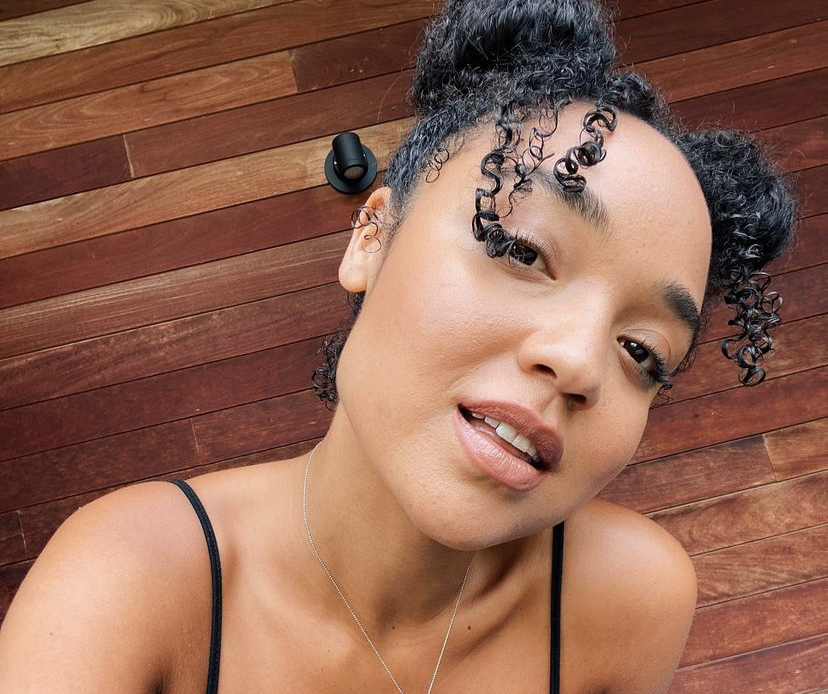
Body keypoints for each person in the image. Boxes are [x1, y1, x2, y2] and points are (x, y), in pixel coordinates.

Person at [0, 0, 796, 692]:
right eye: (521, 250)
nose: (582, 362)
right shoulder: (127, 586)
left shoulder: (633, 598)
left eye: (643, 351)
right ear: (371, 237)